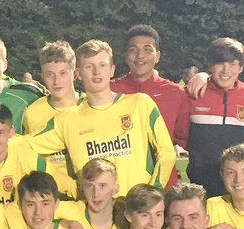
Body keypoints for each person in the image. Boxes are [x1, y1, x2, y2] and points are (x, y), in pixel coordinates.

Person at [28, 39, 176, 196]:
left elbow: (167, 153)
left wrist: (152, 193)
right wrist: (69, 185)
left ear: (112, 70)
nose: (96, 72)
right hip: (95, 212)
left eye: (102, 65)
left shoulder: (140, 104)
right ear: (78, 73)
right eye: (89, 66)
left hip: (136, 209)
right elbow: (25, 147)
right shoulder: (67, 119)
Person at [186, 37, 244, 197]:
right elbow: (182, 135)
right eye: (220, 63)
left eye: (233, 64)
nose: (226, 71)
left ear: (241, 68)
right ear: (211, 65)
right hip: (201, 188)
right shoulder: (194, 92)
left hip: (239, 188)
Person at [110, 25, 190, 174]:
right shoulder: (110, 90)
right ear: (126, 55)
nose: (140, 55)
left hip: (162, 183)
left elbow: (187, 138)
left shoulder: (175, 93)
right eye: (133, 49)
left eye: (147, 49)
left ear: (158, 56)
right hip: (120, 182)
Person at [22, 41, 83, 198]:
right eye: (50, 74)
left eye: (62, 73)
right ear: (42, 76)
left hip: (89, 194)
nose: (56, 81)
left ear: (75, 74)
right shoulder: (32, 112)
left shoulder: (90, 105)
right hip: (48, 196)